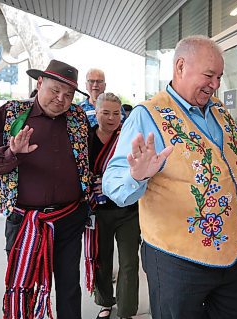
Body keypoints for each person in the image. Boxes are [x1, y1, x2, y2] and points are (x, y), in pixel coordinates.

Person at [104, 35, 237, 319]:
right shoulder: (147, 116)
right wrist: (137, 176)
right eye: (209, 75)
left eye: (219, 76)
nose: (216, 84)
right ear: (180, 67)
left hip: (229, 252)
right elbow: (114, 185)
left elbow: (234, 170)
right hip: (176, 259)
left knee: (234, 311)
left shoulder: (219, 111)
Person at [0, 59, 91, 319]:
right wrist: (11, 152)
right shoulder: (11, 113)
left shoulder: (79, 117)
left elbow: (88, 159)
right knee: (23, 287)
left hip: (69, 218)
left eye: (69, 94)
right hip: (24, 221)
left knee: (69, 286)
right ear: (39, 83)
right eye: (54, 90)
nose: (61, 99)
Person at [89, 93, 140, 319]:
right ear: (96, 113)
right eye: (105, 113)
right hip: (98, 212)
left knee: (129, 262)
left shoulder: (128, 137)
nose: (111, 118)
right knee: (102, 259)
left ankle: (127, 310)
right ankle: (105, 302)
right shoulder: (86, 139)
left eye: (116, 113)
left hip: (128, 209)